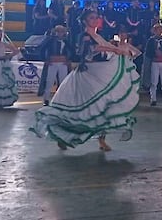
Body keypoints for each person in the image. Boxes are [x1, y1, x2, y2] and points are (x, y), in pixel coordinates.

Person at [31, 9, 141, 151]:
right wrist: (113, 49)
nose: (95, 20)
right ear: (85, 21)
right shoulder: (84, 35)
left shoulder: (98, 35)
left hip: (100, 74)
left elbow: (105, 50)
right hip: (87, 75)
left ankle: (102, 140)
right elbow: (89, 50)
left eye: (96, 17)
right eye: (91, 18)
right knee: (79, 112)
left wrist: (116, 48)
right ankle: (64, 136)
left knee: (104, 107)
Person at [37, 25, 72, 106]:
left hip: (63, 63)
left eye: (61, 31)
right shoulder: (50, 40)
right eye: (58, 31)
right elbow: (42, 49)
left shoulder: (66, 41)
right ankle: (46, 99)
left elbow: (72, 51)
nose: (60, 33)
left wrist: (68, 60)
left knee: (63, 82)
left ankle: (62, 99)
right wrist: (45, 60)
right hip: (52, 63)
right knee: (49, 81)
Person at [145, 24, 162, 107]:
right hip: (155, 62)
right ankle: (153, 99)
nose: (159, 32)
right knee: (154, 81)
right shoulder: (151, 40)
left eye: (160, 30)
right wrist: (155, 54)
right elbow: (148, 52)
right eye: (157, 30)